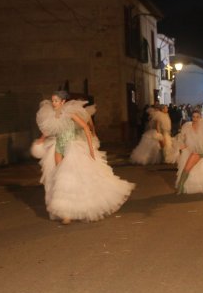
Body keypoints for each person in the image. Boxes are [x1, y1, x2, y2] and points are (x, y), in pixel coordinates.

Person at [31, 91, 134, 224]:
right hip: (58, 147)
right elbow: (48, 130)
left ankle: (68, 213)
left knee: (66, 179)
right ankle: (65, 211)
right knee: (58, 179)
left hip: (72, 147)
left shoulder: (70, 114)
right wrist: (41, 140)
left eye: (56, 101)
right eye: (53, 101)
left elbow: (86, 127)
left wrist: (90, 149)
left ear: (63, 102)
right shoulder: (52, 115)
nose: (54, 103)